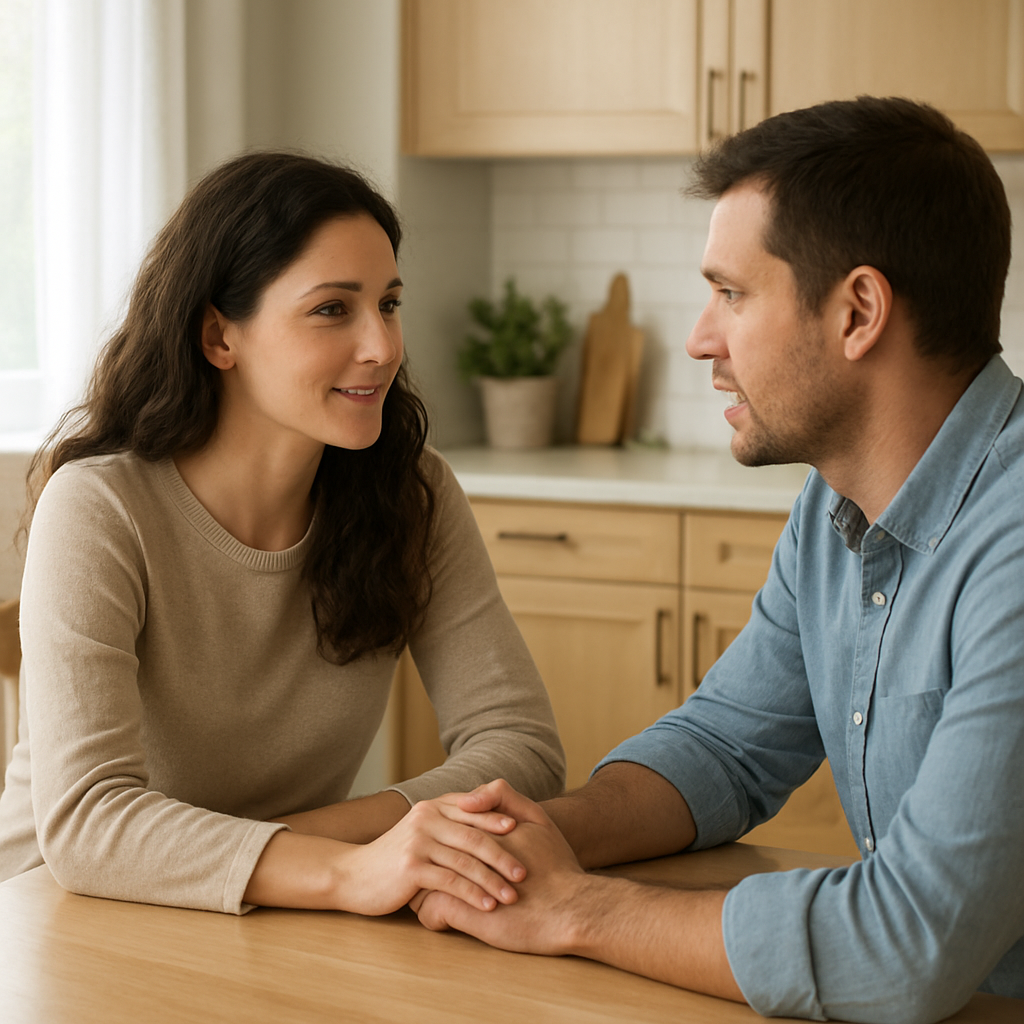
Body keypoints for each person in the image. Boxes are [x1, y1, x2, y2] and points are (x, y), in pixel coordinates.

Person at [409, 97, 1024, 1022]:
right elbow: (726, 747)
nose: (700, 337)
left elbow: (904, 946)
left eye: (731, 294)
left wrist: (575, 910)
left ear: (859, 312)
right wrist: (526, 841)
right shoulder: (836, 505)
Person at [0, 152, 565, 915]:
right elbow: (89, 824)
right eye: (333, 309)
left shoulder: (411, 491)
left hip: (271, 914)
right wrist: (346, 867)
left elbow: (521, 748)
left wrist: (313, 843)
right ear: (219, 337)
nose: (384, 346)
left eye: (389, 304)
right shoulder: (100, 507)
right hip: (57, 921)